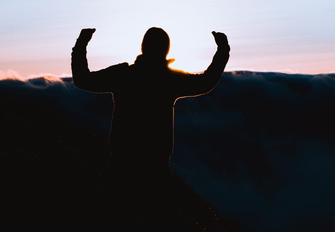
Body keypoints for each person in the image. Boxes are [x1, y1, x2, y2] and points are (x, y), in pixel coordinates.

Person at [71, 27, 230, 180]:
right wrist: (222, 50)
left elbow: (83, 79)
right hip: (156, 165)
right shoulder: (169, 80)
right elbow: (206, 82)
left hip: (122, 161)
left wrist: (81, 44)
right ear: (166, 49)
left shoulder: (124, 75)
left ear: (143, 47)